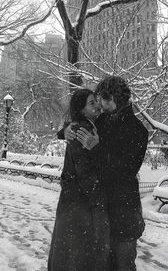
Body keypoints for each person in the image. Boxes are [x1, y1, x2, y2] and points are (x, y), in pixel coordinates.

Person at [64, 76, 148, 270]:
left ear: (112, 98)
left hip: (124, 213)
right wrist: (66, 129)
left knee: (123, 264)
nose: (99, 103)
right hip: (101, 212)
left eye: (101, 98)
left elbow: (125, 171)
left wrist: (96, 148)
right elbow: (81, 122)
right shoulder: (103, 121)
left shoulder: (137, 130)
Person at [48, 88, 110, 271]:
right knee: (79, 254)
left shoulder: (81, 125)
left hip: (72, 201)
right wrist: (98, 201)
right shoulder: (84, 128)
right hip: (80, 203)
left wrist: (65, 129)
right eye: (91, 103)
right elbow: (85, 172)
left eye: (96, 101)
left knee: (68, 252)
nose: (97, 105)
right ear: (81, 109)